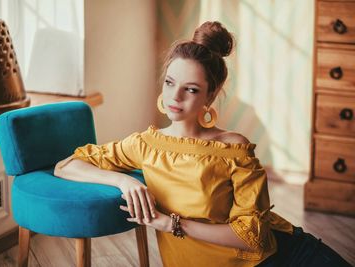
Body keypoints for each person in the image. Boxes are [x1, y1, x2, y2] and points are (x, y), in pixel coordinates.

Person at [54, 21, 351, 267]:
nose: (175, 97)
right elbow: (67, 165)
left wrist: (169, 224)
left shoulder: (234, 149)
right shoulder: (146, 145)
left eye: (191, 89)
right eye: (170, 83)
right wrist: (124, 182)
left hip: (276, 257)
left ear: (210, 96)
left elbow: (252, 237)